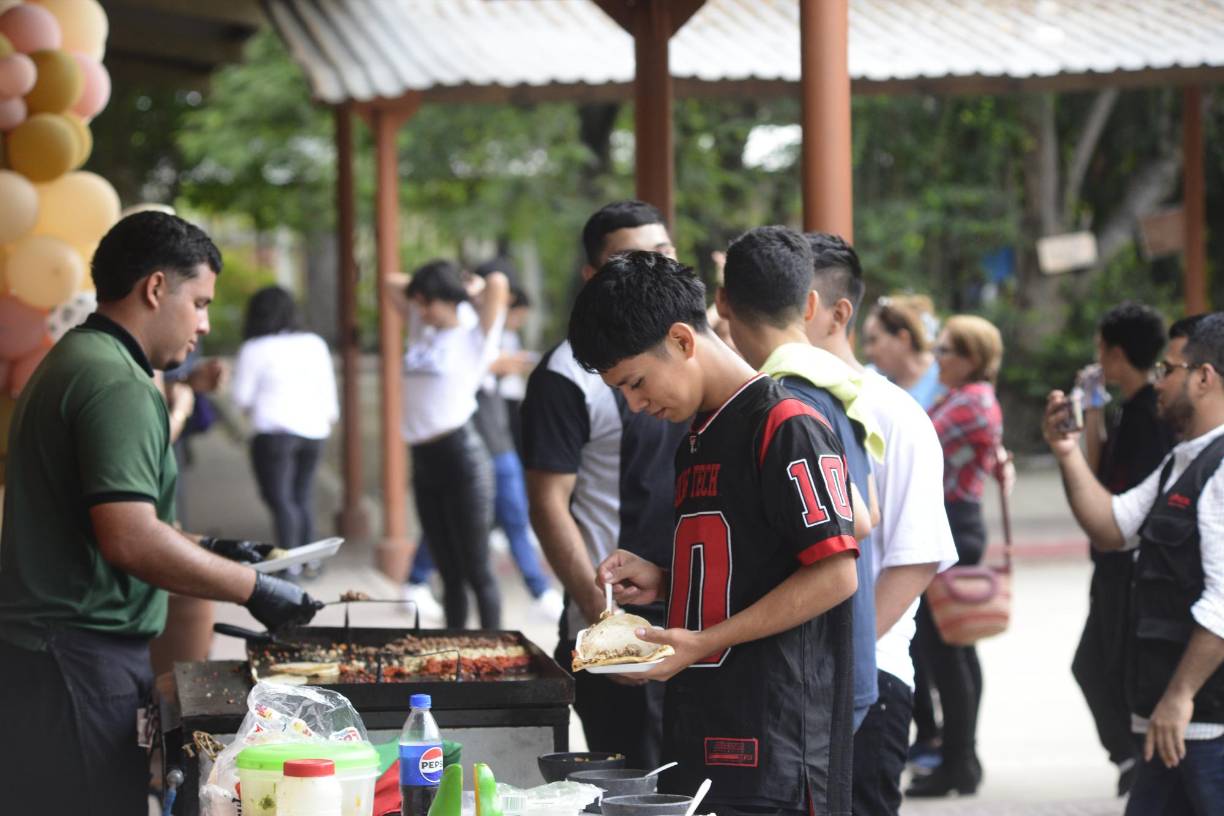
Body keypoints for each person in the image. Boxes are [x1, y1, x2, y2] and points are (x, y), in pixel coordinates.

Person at [0, 212, 322, 814]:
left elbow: (108, 517)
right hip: (74, 655)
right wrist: (252, 587)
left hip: (57, 656)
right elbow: (130, 539)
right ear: (154, 289)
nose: (203, 325)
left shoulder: (81, 357)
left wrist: (214, 549)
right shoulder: (116, 380)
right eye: (199, 302)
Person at [575, 251, 860, 816]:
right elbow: (752, 563)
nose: (634, 404)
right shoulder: (698, 434)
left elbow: (836, 573)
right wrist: (664, 580)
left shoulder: (787, 423)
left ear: (682, 340)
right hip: (705, 734)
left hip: (777, 747)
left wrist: (706, 640)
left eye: (635, 383)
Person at [521, 200, 684, 769]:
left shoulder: (704, 354)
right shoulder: (569, 376)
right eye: (629, 257)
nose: (649, 266)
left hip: (701, 626)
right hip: (616, 628)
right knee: (634, 786)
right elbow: (547, 505)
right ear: (593, 275)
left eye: (661, 253)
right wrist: (606, 625)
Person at [800, 233, 958, 815]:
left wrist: (843, 662)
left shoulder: (895, 413)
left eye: (796, 303)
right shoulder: (774, 401)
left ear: (836, 313)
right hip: (796, 684)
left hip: (871, 680)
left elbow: (915, 560)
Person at [1045, 312, 1224, 816]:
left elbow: (1223, 600)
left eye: (1170, 368)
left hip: (1204, 725)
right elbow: (1113, 526)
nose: (1159, 381)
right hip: (1167, 723)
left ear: (1204, 377)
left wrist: (1180, 695)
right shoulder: (1183, 461)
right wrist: (1067, 452)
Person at [714, 226, 880, 734]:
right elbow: (866, 510)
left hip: (815, 667)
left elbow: (855, 521)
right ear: (810, 305)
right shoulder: (838, 384)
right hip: (845, 658)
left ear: (722, 303)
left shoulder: (785, 400)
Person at [1071, 303, 1177, 795]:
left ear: (1115, 353)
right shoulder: (1128, 409)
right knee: (1098, 664)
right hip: (1110, 558)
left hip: (1129, 561)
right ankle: (1132, 759)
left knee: (1102, 665)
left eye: (1101, 350)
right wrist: (1092, 411)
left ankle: (1137, 758)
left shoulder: (1153, 415)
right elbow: (1097, 476)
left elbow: (1125, 501)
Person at [906, 314, 1004, 798]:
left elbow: (918, 444)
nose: (937, 359)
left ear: (971, 359)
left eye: (946, 351)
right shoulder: (966, 398)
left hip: (956, 527)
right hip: (957, 524)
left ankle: (959, 761)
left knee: (949, 650)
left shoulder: (971, 403)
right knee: (953, 649)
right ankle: (960, 757)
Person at [388, 260, 510, 629]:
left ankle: (496, 655)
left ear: (448, 298)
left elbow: (498, 283)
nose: (421, 310)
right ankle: (454, 650)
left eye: (429, 303)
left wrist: (467, 290)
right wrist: (428, 290)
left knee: (476, 567)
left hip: (462, 460)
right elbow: (391, 280)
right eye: (419, 303)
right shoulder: (421, 331)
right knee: (447, 570)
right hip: (424, 461)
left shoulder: (475, 335)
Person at [231, 285, 340, 578]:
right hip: (314, 431)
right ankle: (310, 561)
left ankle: (289, 563)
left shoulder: (254, 348)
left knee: (280, 500)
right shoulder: (314, 343)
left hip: (274, 432)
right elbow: (327, 388)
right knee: (301, 496)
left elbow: (241, 397)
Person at [862, 295, 945, 410]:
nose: (868, 351)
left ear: (903, 338)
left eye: (874, 340)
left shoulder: (945, 379)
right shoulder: (868, 379)